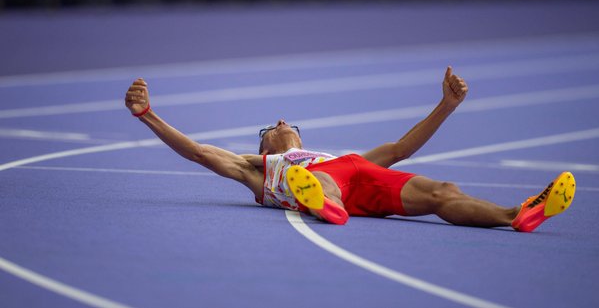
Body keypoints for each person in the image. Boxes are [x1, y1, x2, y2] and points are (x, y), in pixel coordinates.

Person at [124, 67, 575, 232]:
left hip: (356, 174)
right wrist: (149, 116)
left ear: (300, 135)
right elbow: (198, 152)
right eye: (272, 126)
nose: (282, 122)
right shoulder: (257, 169)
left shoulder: (328, 154)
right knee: (319, 182)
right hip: (329, 186)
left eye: (289, 123)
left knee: (443, 191)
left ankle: (517, 214)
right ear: (263, 143)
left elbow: (400, 148)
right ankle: (326, 206)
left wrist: (447, 105)